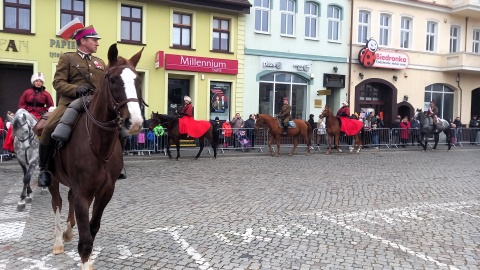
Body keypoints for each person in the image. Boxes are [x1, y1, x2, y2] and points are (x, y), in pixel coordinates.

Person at [37, 23, 108, 188]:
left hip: (95, 102)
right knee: (49, 127)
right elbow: (58, 83)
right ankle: (44, 169)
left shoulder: (100, 62)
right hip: (71, 102)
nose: (97, 43)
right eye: (94, 40)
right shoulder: (67, 58)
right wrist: (76, 89)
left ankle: (115, 165)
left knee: (120, 127)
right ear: (83, 41)